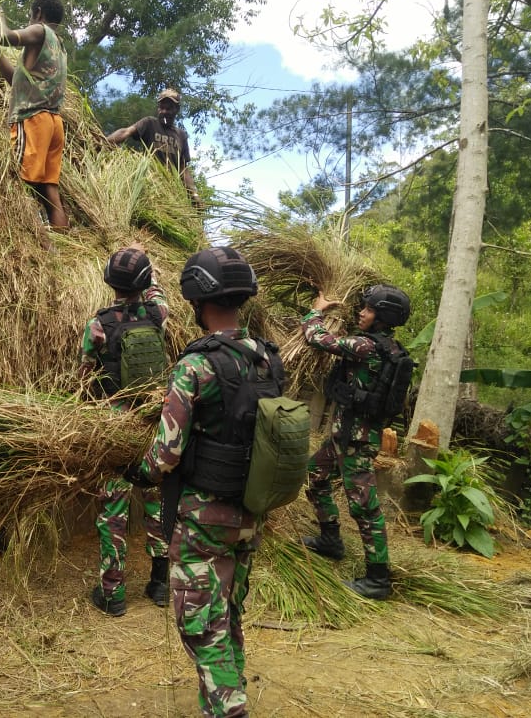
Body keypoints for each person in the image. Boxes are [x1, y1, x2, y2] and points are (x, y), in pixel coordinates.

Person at [126, 246, 277, 718]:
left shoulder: (196, 365)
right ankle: (225, 698)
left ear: (197, 300)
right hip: (251, 512)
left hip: (204, 519)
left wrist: (141, 471)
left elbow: (167, 452)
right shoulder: (267, 361)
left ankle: (229, 709)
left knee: (200, 625)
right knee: (227, 613)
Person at [298, 285, 412, 600]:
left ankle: (378, 579)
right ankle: (330, 540)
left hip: (355, 442)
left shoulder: (367, 347)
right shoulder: (385, 347)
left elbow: (316, 338)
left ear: (383, 317)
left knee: (364, 507)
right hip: (344, 437)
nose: (362, 312)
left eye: (369, 309)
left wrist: (316, 310)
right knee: (314, 477)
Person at [79, 244, 171, 616]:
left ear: (109, 283)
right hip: (153, 423)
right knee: (157, 504)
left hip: (116, 427)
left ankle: (113, 593)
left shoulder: (99, 324)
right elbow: (157, 291)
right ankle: (161, 584)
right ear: (145, 282)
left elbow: (85, 376)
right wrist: (143, 259)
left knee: (113, 509)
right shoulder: (158, 312)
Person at [0, 0, 70, 231]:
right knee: (49, 189)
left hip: (33, 121)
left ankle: (42, 245)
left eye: (31, 15)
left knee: (21, 181)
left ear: (39, 13)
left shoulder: (40, 31)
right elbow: (15, 78)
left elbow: (5, 35)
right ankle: (64, 244)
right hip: (54, 124)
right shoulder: (58, 47)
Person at [107, 89, 201, 209]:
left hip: (170, 191)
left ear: (176, 110)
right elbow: (126, 132)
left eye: (168, 108)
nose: (163, 112)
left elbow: (183, 168)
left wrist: (194, 193)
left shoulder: (181, 135)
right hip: (149, 185)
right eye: (161, 108)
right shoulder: (150, 124)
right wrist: (103, 142)